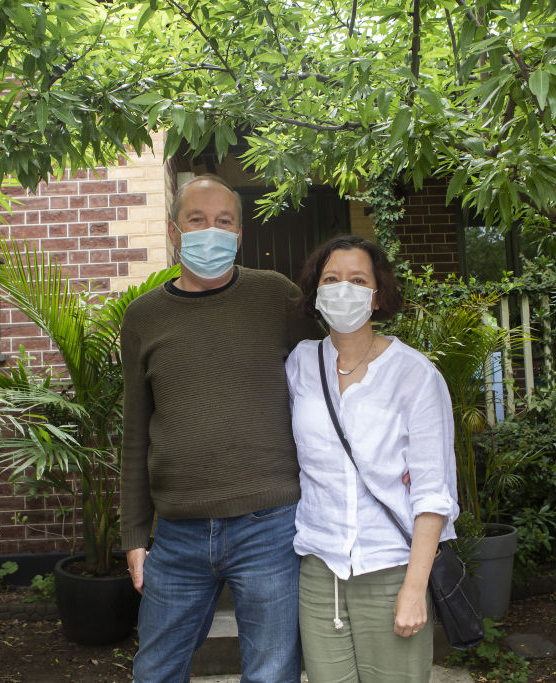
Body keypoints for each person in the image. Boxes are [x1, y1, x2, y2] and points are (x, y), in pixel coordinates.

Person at [119, 174, 321, 682]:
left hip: (270, 526)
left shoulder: (276, 298)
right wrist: (134, 533)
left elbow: (329, 382)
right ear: (173, 231)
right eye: (197, 220)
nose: (211, 230)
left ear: (238, 234)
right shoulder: (142, 317)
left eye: (223, 221)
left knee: (272, 674)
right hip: (177, 532)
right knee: (155, 671)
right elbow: (135, 433)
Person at [286, 234, 459, 682]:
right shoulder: (300, 365)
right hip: (320, 574)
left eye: (357, 279)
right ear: (316, 292)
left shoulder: (415, 375)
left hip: (392, 571)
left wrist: (415, 588)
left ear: (377, 294)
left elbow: (432, 492)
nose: (343, 288)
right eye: (331, 278)